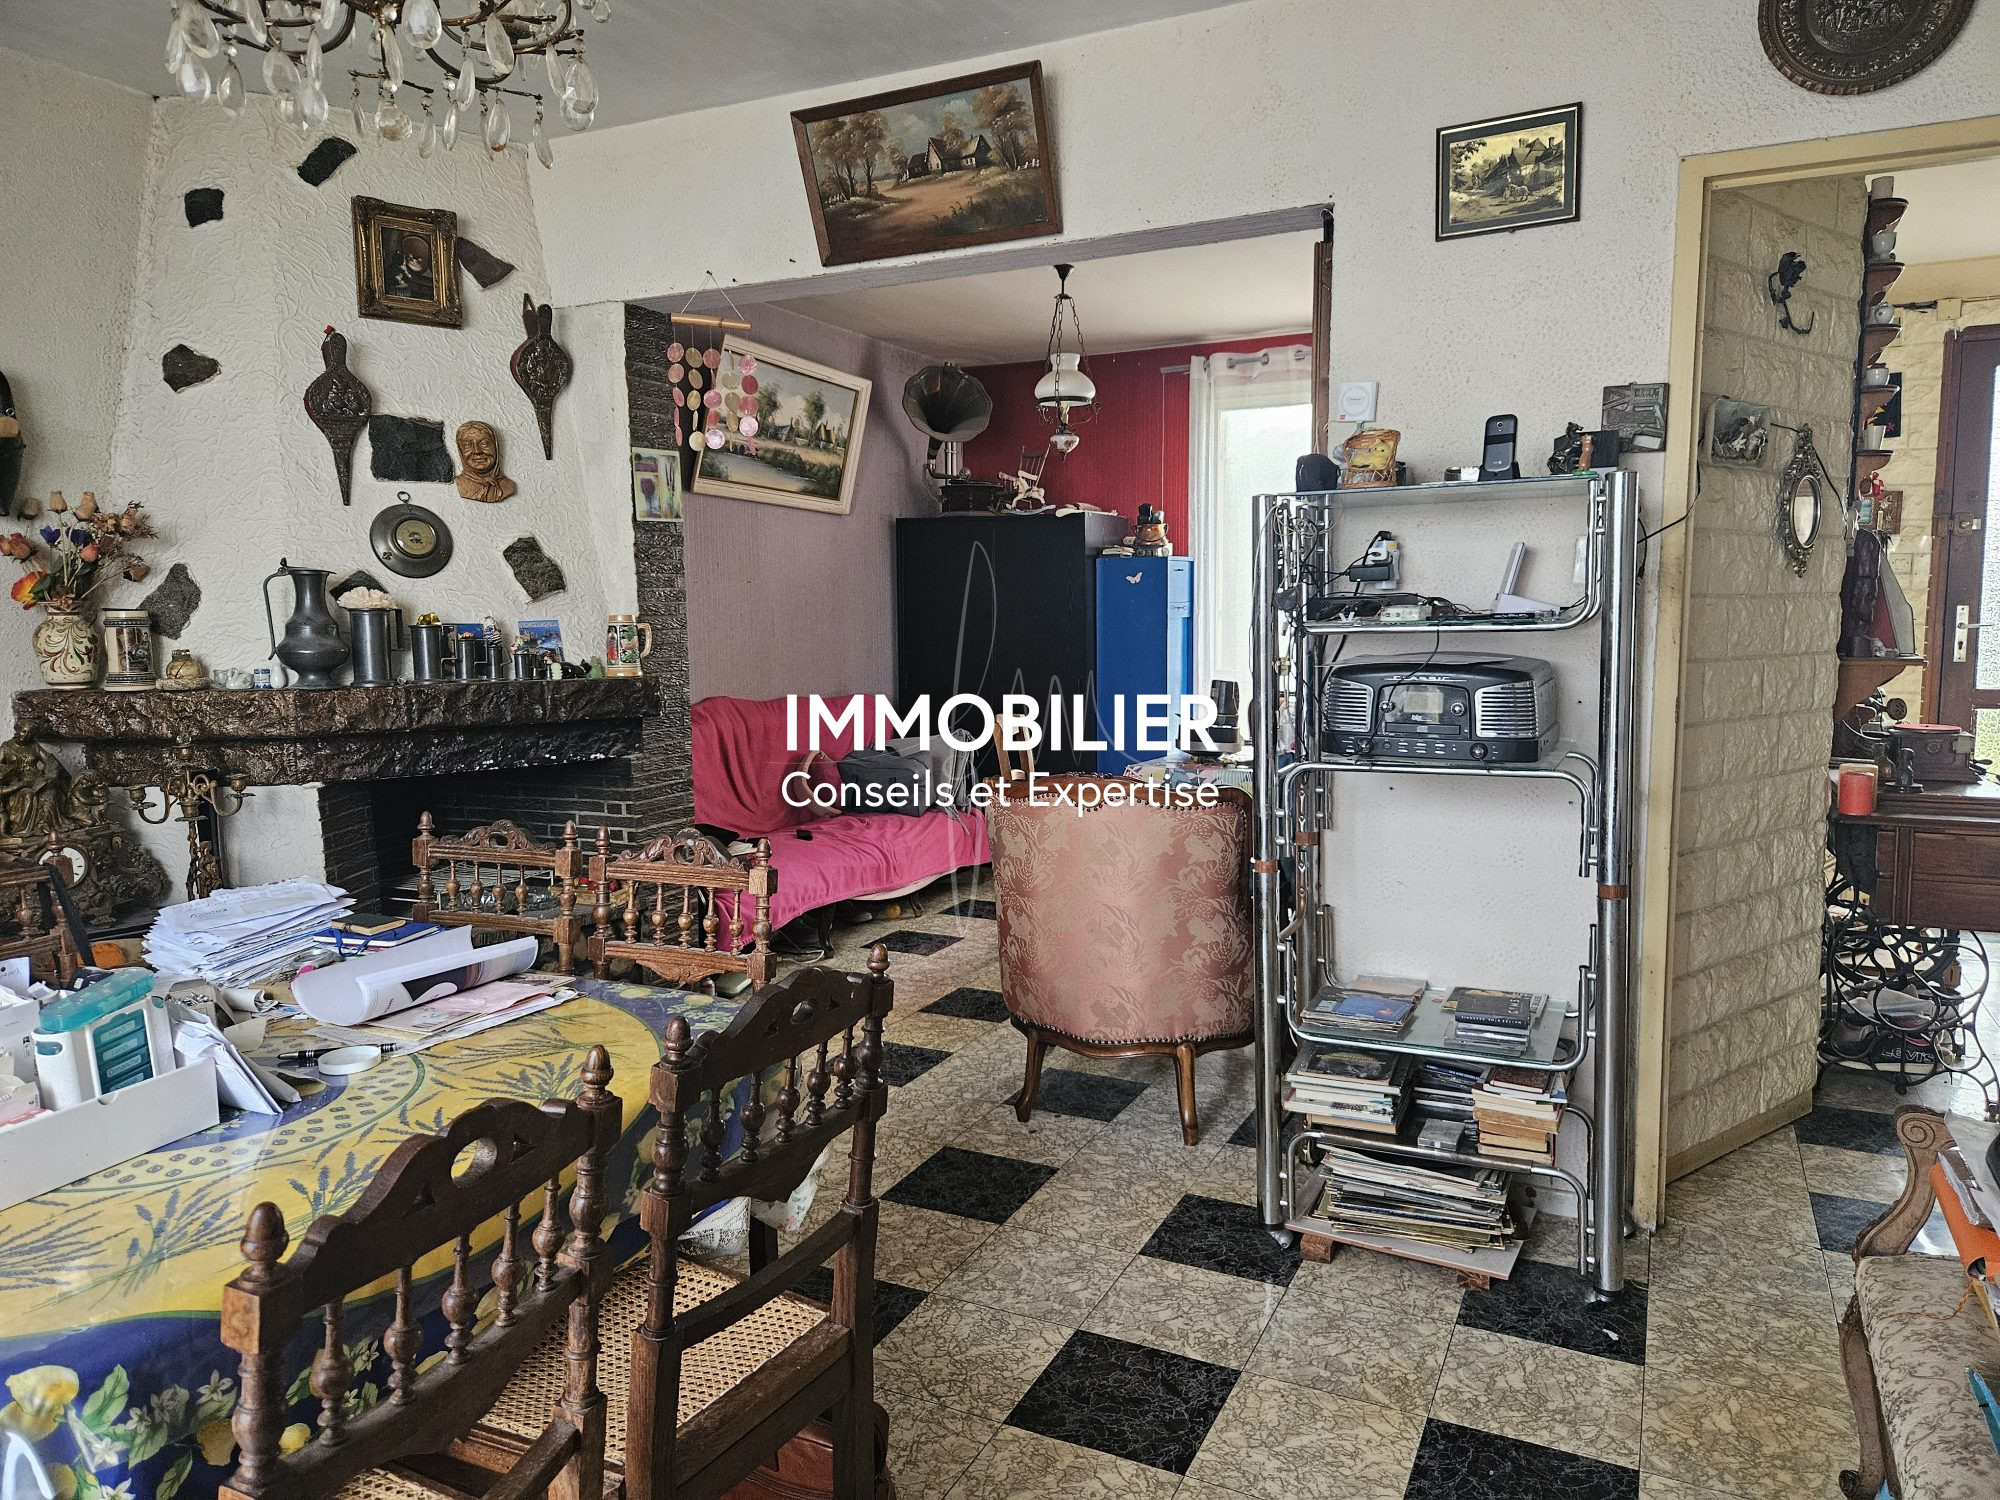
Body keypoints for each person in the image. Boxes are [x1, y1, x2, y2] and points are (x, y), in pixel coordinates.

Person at [454, 420, 517, 503]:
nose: (477, 451)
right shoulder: (459, 484)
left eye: (484, 444)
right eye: (467, 445)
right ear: (460, 451)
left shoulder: (508, 486)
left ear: (495, 446)